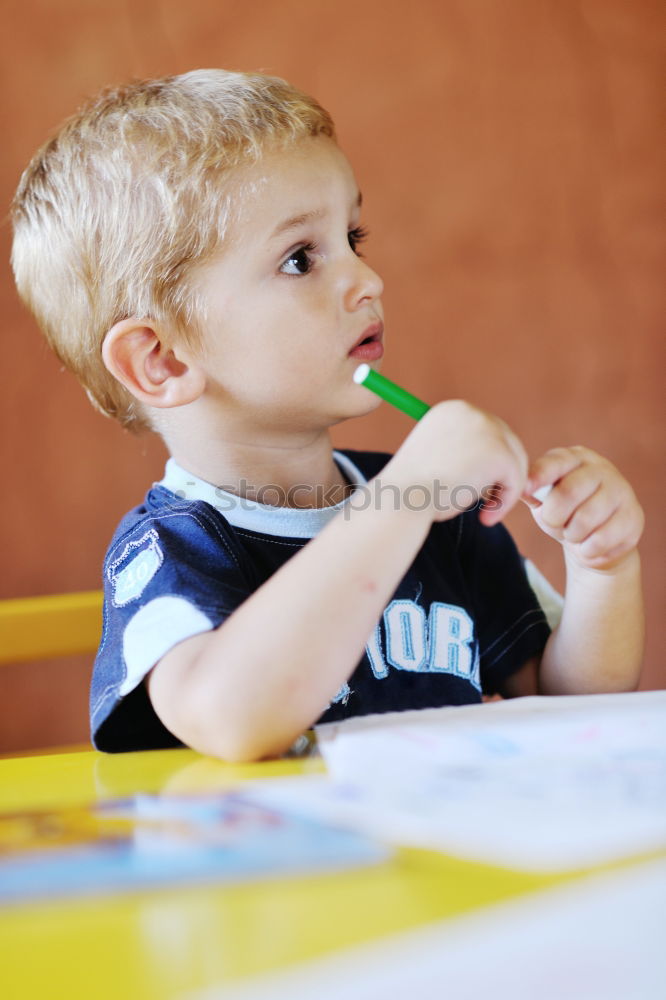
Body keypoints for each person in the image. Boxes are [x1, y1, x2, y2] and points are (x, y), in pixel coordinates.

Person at [11, 70, 645, 762]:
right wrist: (413, 495)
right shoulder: (172, 549)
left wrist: (602, 569)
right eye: (299, 259)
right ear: (161, 359)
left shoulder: (438, 512)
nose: (366, 281)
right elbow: (232, 716)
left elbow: (574, 709)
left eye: (354, 236)